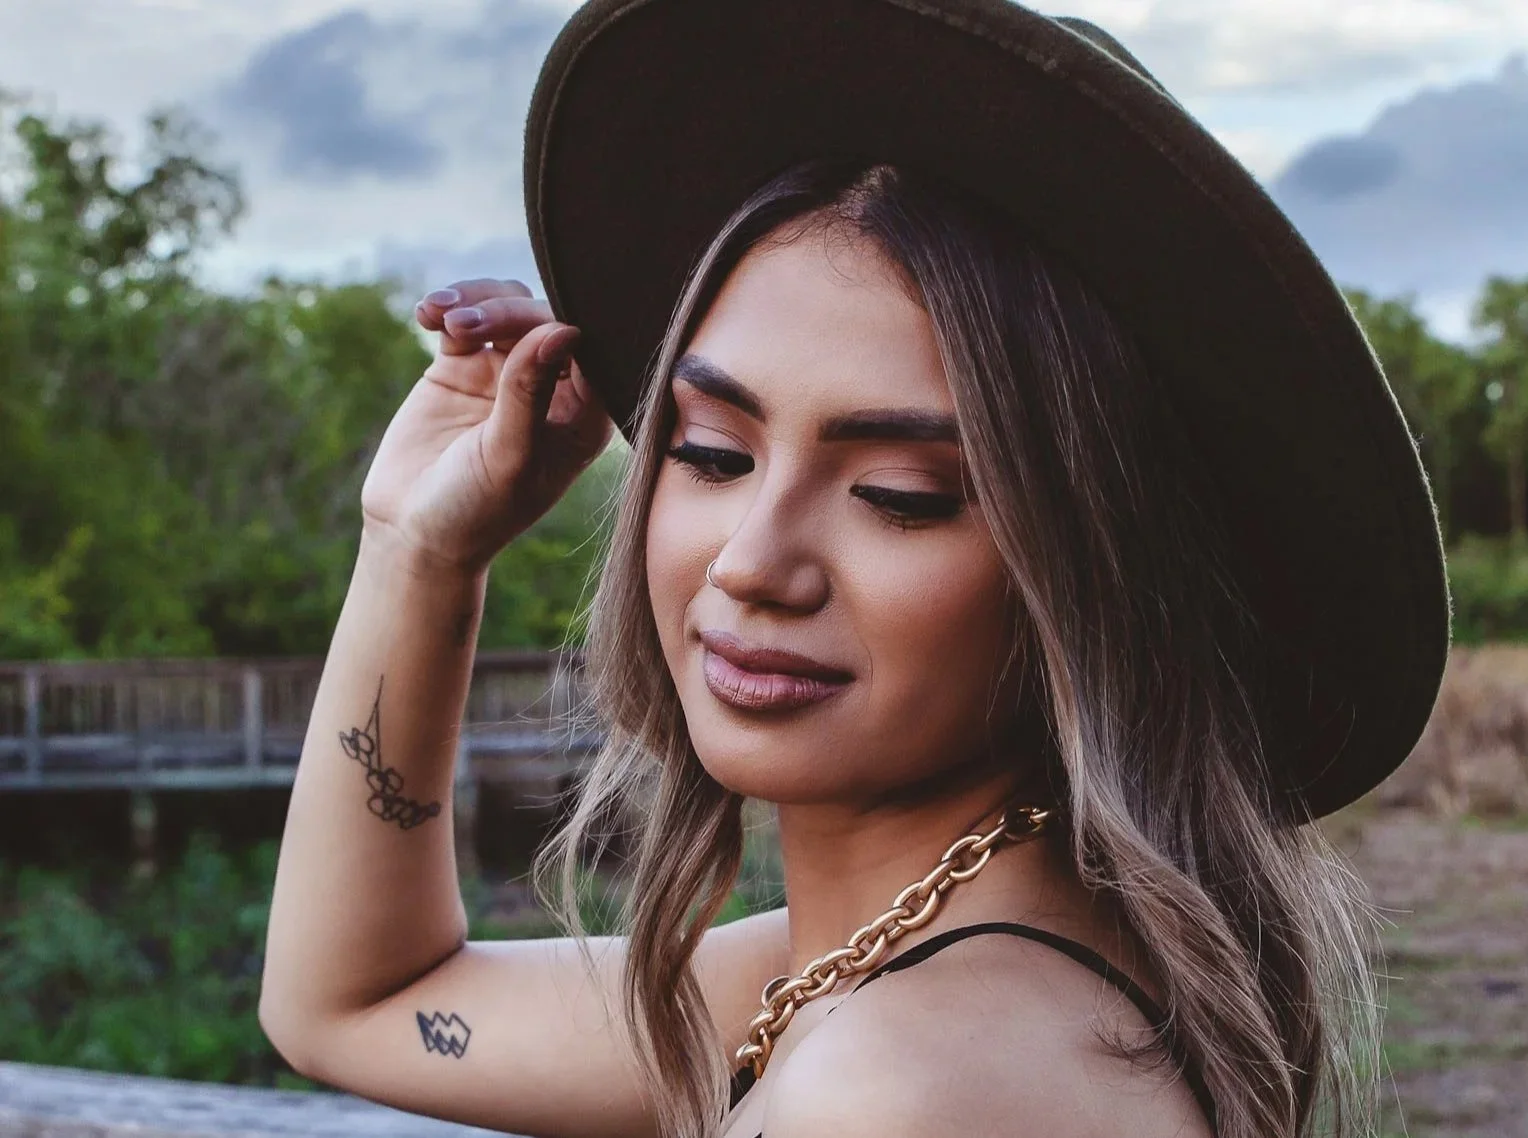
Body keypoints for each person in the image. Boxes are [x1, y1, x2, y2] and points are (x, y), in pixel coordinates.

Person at [258, 4, 1450, 1138]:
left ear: (1088, 571)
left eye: (901, 496)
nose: (754, 561)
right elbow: (356, 1004)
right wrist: (421, 548)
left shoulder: (903, 1077)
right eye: (712, 452)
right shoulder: (869, 978)